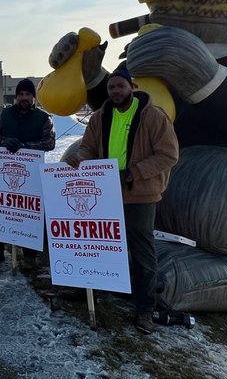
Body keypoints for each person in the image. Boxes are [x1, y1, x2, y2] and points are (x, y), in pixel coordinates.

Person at [66, 65, 178, 334]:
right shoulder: (100, 116)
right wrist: (79, 160)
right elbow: (89, 148)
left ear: (132, 87)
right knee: (98, 244)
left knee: (141, 253)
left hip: (140, 193)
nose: (115, 91)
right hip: (104, 191)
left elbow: (169, 155)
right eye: (111, 87)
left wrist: (134, 173)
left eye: (120, 86)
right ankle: (90, 288)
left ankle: (144, 309)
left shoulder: (153, 116)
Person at [0, 78, 56, 271]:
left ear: (33, 97)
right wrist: (6, 141)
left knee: (29, 213)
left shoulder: (44, 118)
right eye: (21, 94)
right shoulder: (5, 114)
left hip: (30, 177)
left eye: (28, 94)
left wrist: (25, 146)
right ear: (16, 97)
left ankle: (29, 256)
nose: (24, 98)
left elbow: (50, 143)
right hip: (3, 174)